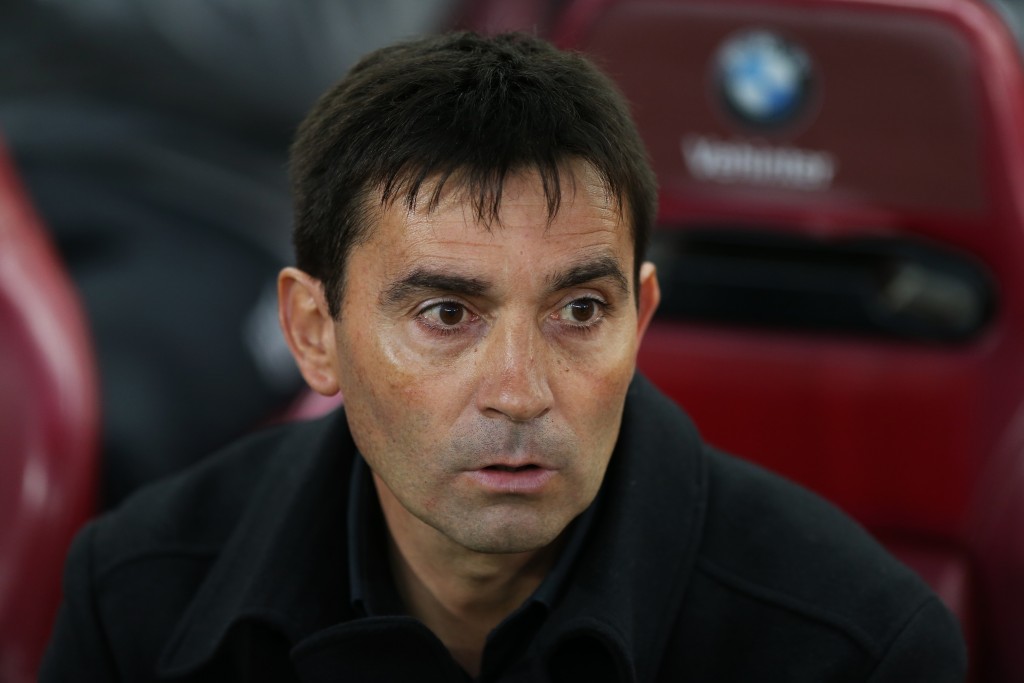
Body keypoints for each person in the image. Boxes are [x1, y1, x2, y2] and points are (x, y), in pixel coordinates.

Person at [41, 32, 967, 682]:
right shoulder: (137, 595)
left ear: (641, 319)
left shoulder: (857, 648)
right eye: (447, 313)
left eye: (580, 310)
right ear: (315, 332)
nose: (520, 392)